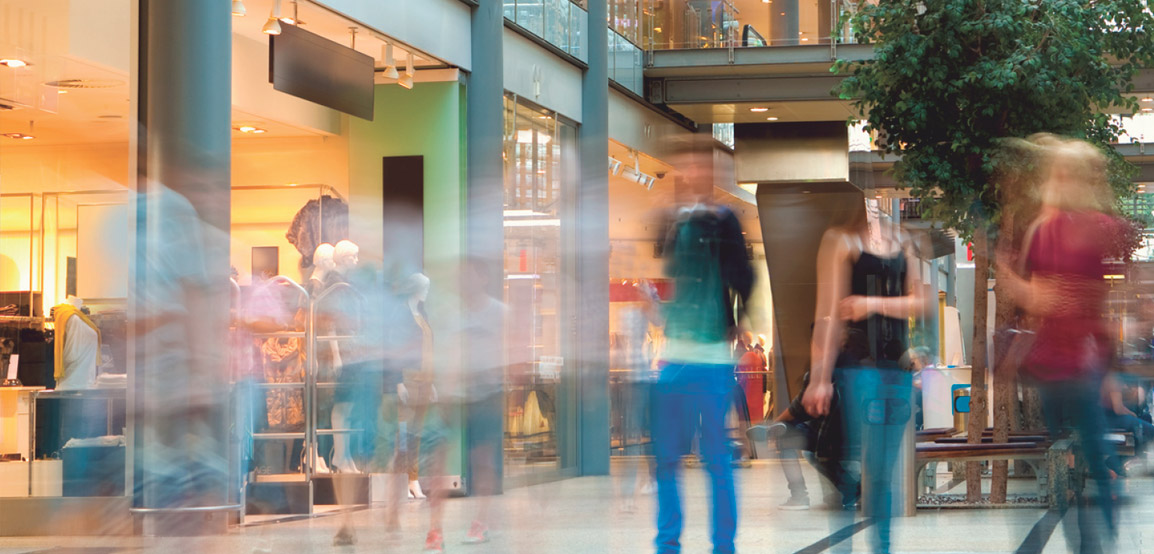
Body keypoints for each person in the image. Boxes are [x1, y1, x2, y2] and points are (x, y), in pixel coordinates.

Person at [996, 135, 1127, 551]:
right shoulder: (1052, 228)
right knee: (1073, 463)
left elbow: (1072, 299)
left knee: (1083, 461)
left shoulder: (1086, 229)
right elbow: (1042, 299)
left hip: (1080, 364)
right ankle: (1092, 540)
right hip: (1057, 365)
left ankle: (1096, 540)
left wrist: (1006, 272)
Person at [802, 196, 926, 553]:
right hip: (857, 370)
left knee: (880, 476)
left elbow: (919, 300)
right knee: (851, 472)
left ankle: (881, 548)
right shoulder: (841, 241)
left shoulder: (902, 241)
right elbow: (828, 314)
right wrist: (819, 379)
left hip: (895, 371)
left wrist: (870, 304)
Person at [651, 200, 753, 554]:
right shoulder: (678, 224)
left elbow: (744, 276)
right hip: (677, 358)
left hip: (709, 359)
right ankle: (670, 544)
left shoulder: (719, 222)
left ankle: (719, 546)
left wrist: (739, 318)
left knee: (713, 460)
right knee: (676, 460)